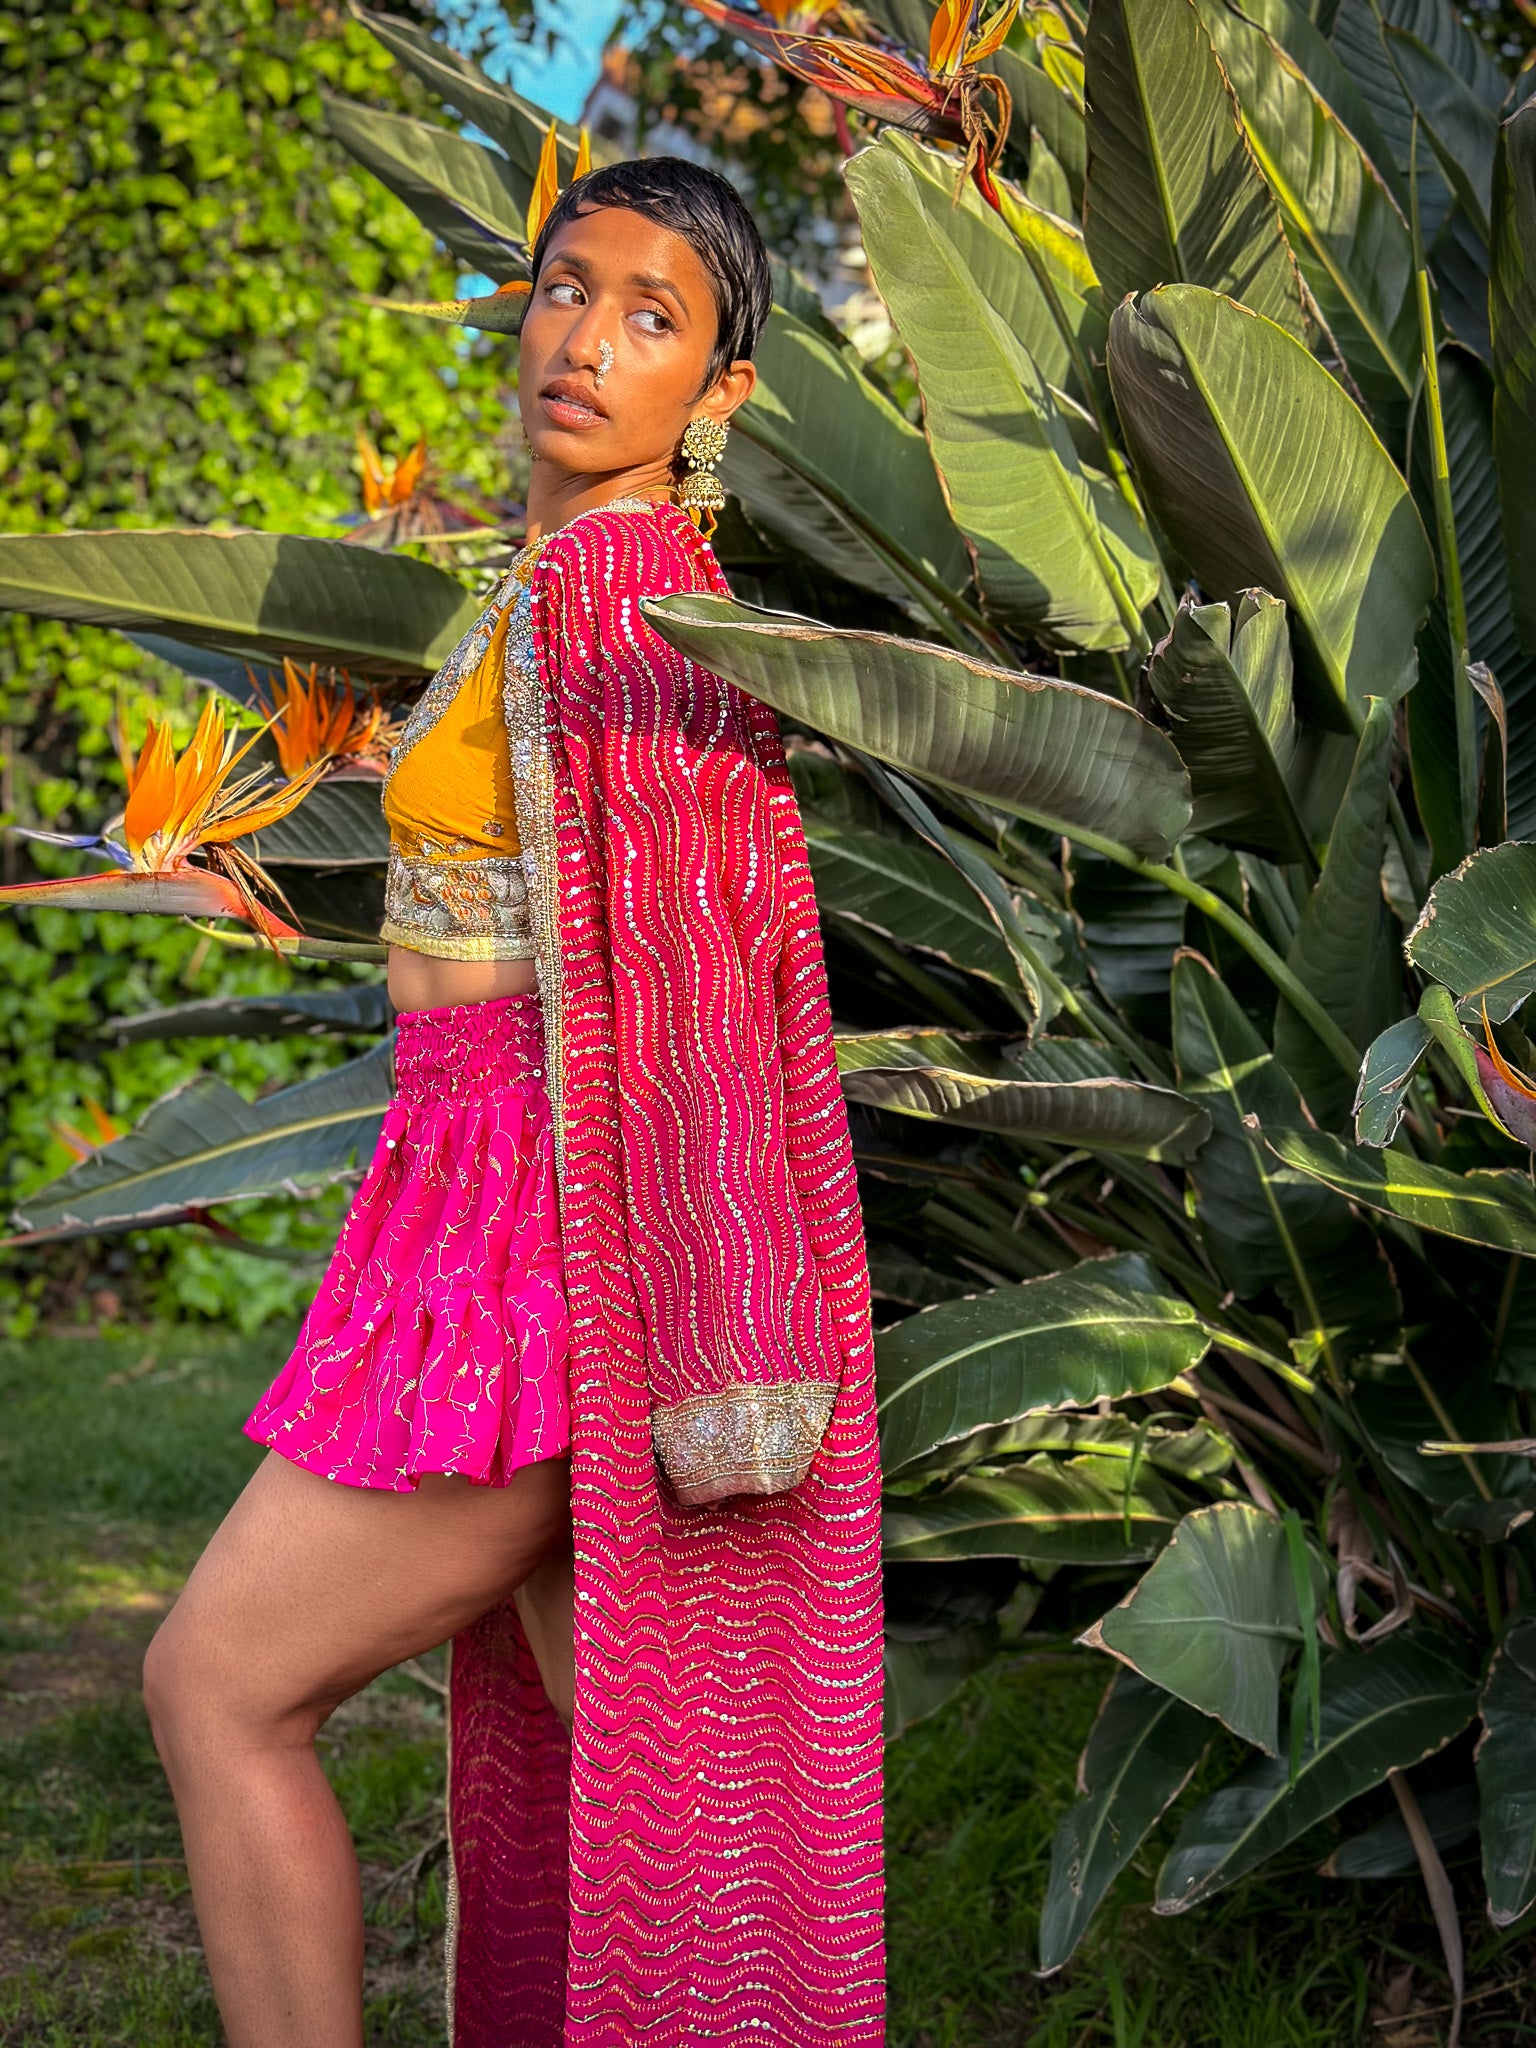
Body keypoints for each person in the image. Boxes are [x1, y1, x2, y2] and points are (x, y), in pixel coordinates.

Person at [142, 156, 885, 2048]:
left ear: (719, 391)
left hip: (535, 1245)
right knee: (641, 1831)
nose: (589, 339)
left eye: (655, 315)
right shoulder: (546, 579)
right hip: (464, 1197)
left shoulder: (631, 589)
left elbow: (704, 968)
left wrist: (719, 1337)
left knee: (217, 1687)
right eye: (568, 288)